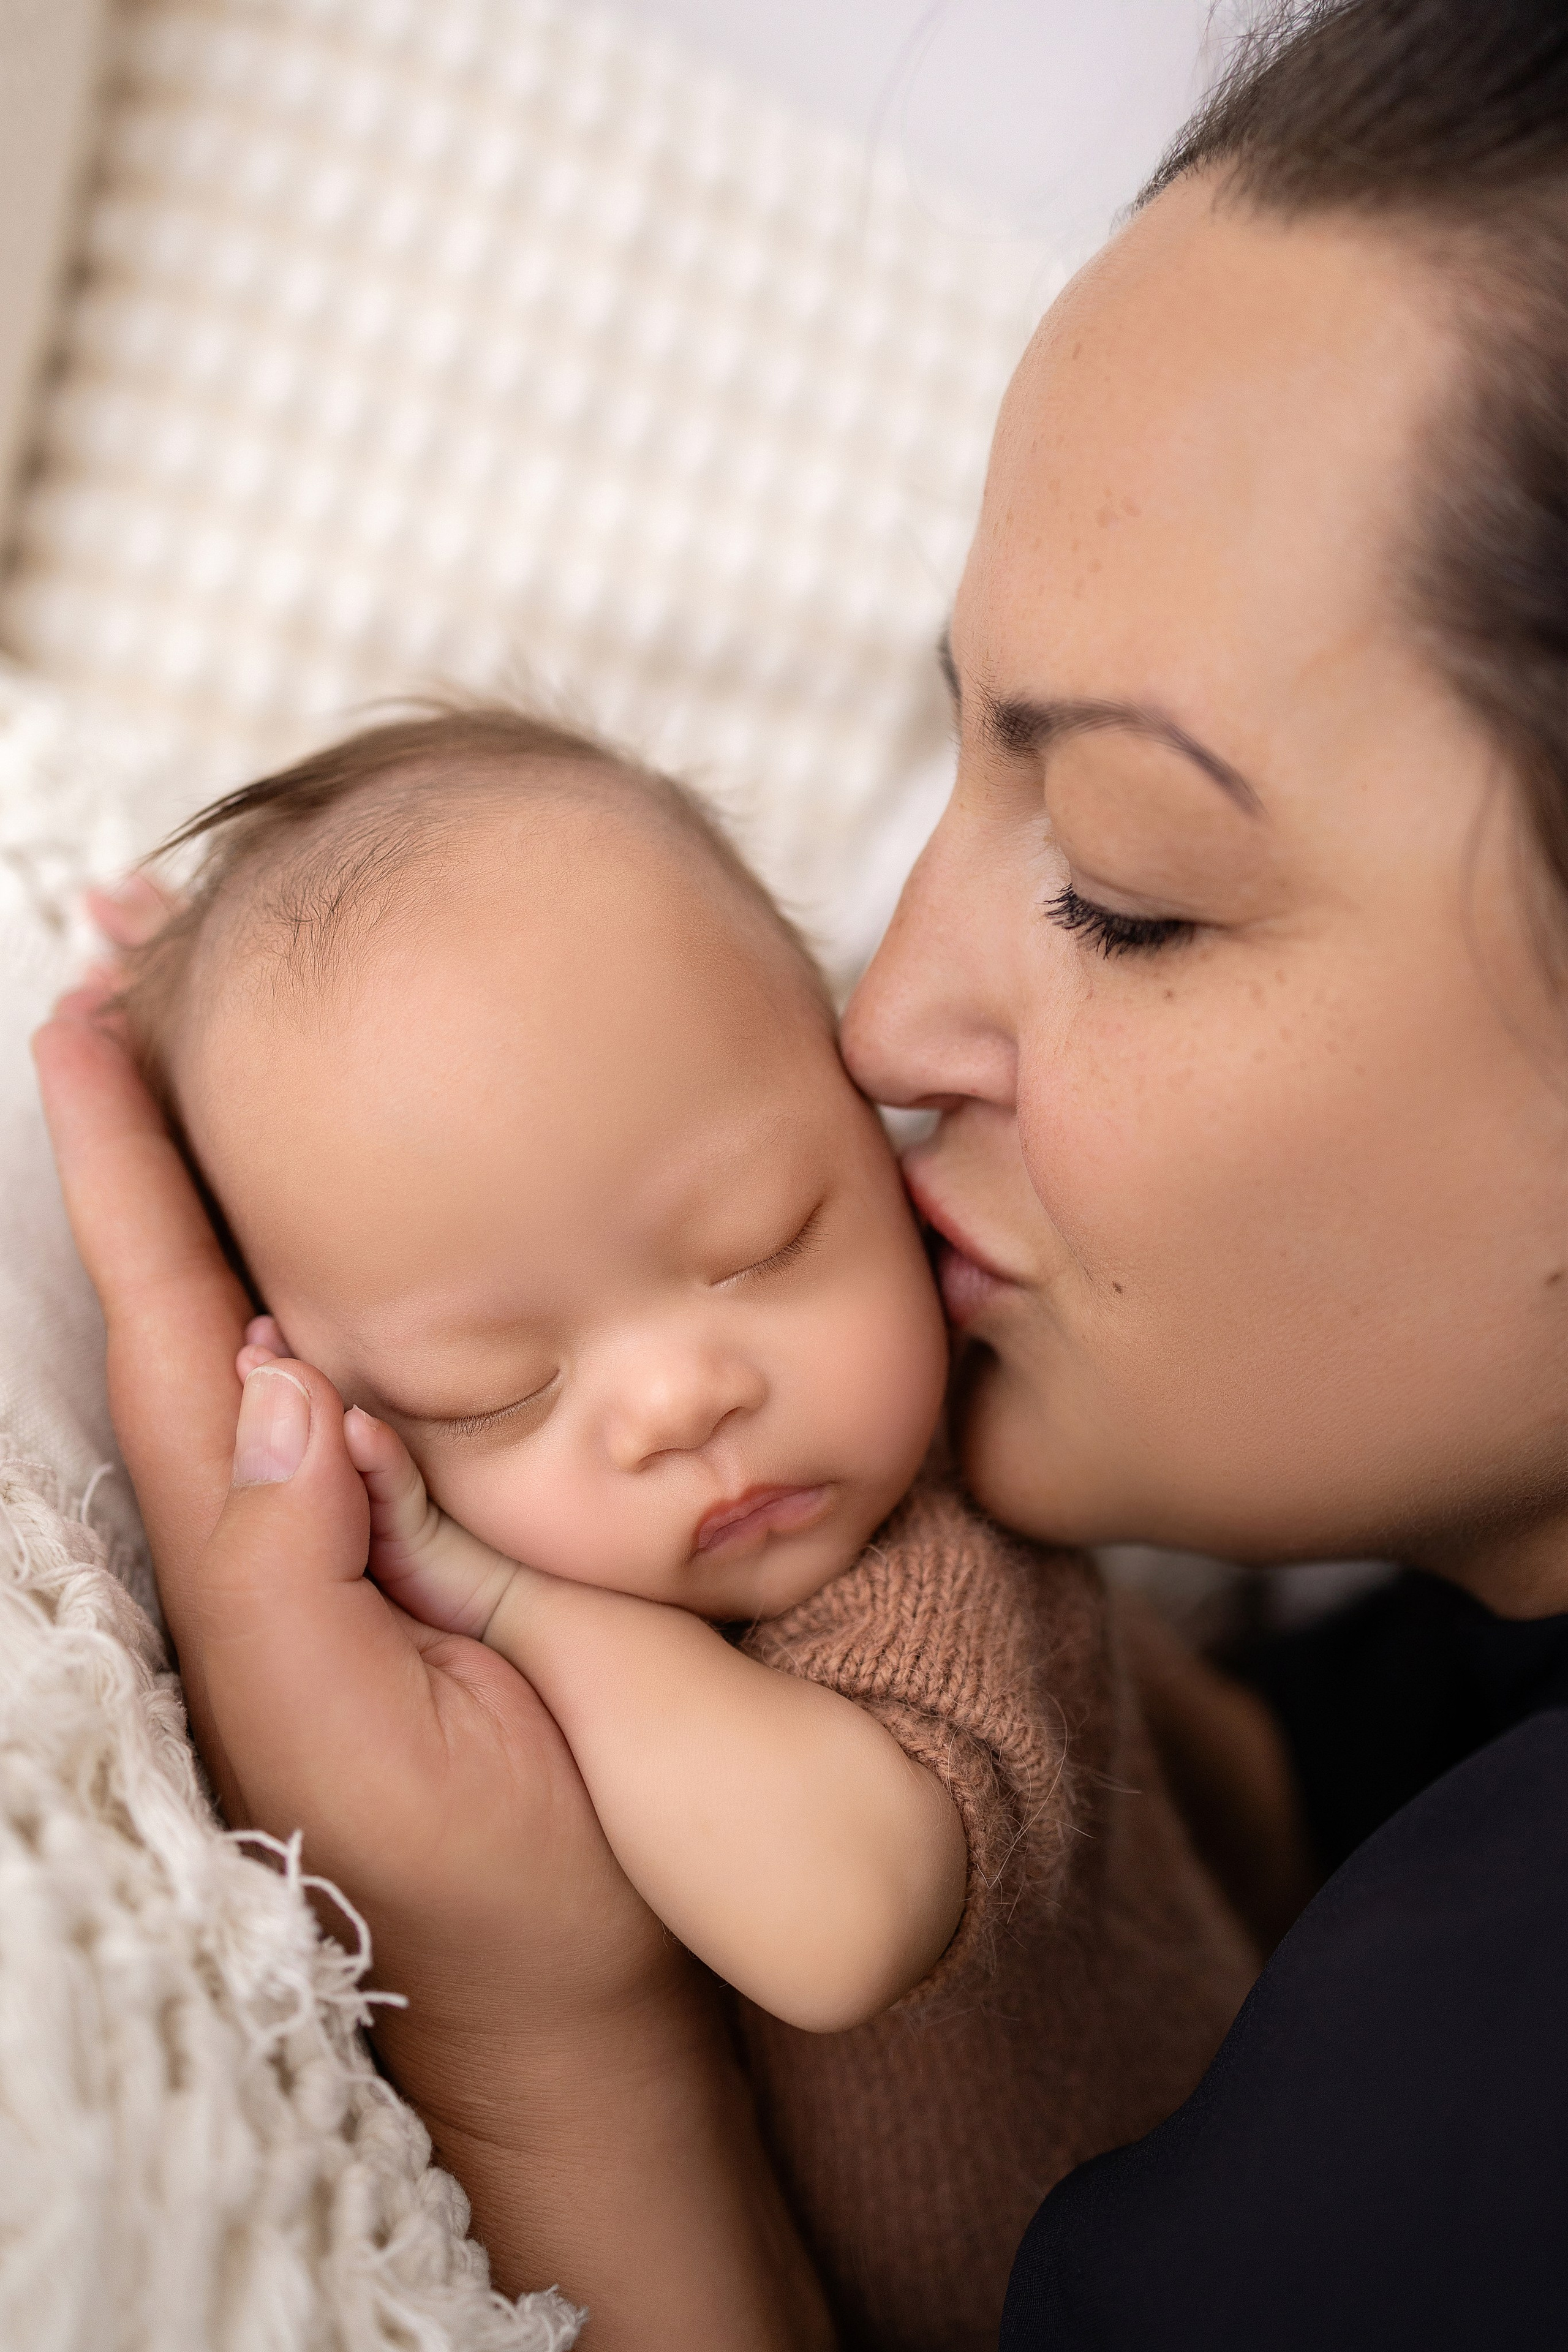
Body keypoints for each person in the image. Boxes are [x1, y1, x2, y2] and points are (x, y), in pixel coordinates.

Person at [33, 0, 1568, 2342]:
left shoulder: (1456, 2137)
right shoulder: (1419, 1714)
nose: (881, 1033)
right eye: (958, 763)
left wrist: (529, 2029)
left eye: (1131, 884)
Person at [106, 702, 1254, 2352]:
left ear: (872, 1121)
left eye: (762, 1240)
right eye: (494, 1387)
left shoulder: (925, 1563)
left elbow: (840, 1921)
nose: (677, 1401)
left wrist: (522, 1603)